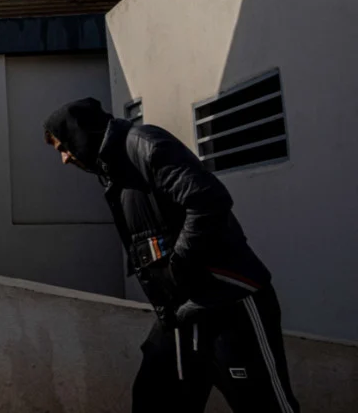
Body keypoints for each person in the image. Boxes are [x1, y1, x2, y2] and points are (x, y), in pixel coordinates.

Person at [44, 98, 299, 413]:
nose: (65, 159)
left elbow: (208, 201)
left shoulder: (145, 146)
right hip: (181, 310)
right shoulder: (112, 169)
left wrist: (179, 267)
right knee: (154, 399)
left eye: (62, 148)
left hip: (228, 301)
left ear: (78, 133)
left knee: (265, 406)